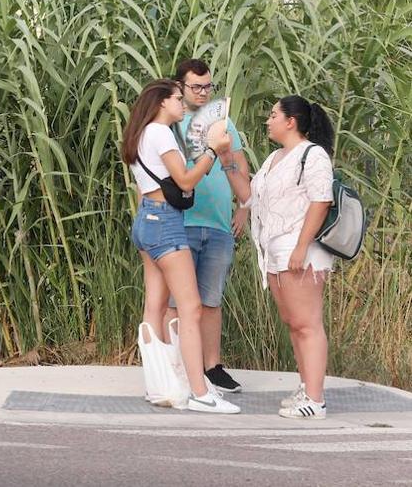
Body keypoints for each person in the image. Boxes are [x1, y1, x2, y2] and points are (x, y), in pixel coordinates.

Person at [122, 78, 240, 414]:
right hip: (167, 224)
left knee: (155, 306)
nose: (181, 103)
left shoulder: (141, 134)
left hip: (146, 219)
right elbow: (186, 180)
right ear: (162, 102)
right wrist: (213, 151)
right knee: (191, 308)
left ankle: (159, 385)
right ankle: (200, 392)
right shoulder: (160, 133)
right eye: (177, 97)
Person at [244, 95, 337, 420]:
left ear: (290, 122)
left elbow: (321, 201)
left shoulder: (312, 156)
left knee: (307, 323)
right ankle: (306, 386)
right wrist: (228, 159)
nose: (268, 121)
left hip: (302, 252)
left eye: (273, 115)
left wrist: (301, 246)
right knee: (294, 323)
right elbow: (250, 196)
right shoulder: (274, 159)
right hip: (275, 251)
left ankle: (316, 399)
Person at [169, 59, 252, 393]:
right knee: (178, 302)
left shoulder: (223, 121)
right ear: (180, 86)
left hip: (218, 224)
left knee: (211, 299)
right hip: (182, 221)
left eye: (208, 87)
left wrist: (243, 210)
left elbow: (241, 166)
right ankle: (178, 368)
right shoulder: (172, 121)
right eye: (196, 87)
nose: (203, 93)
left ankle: (212, 366)